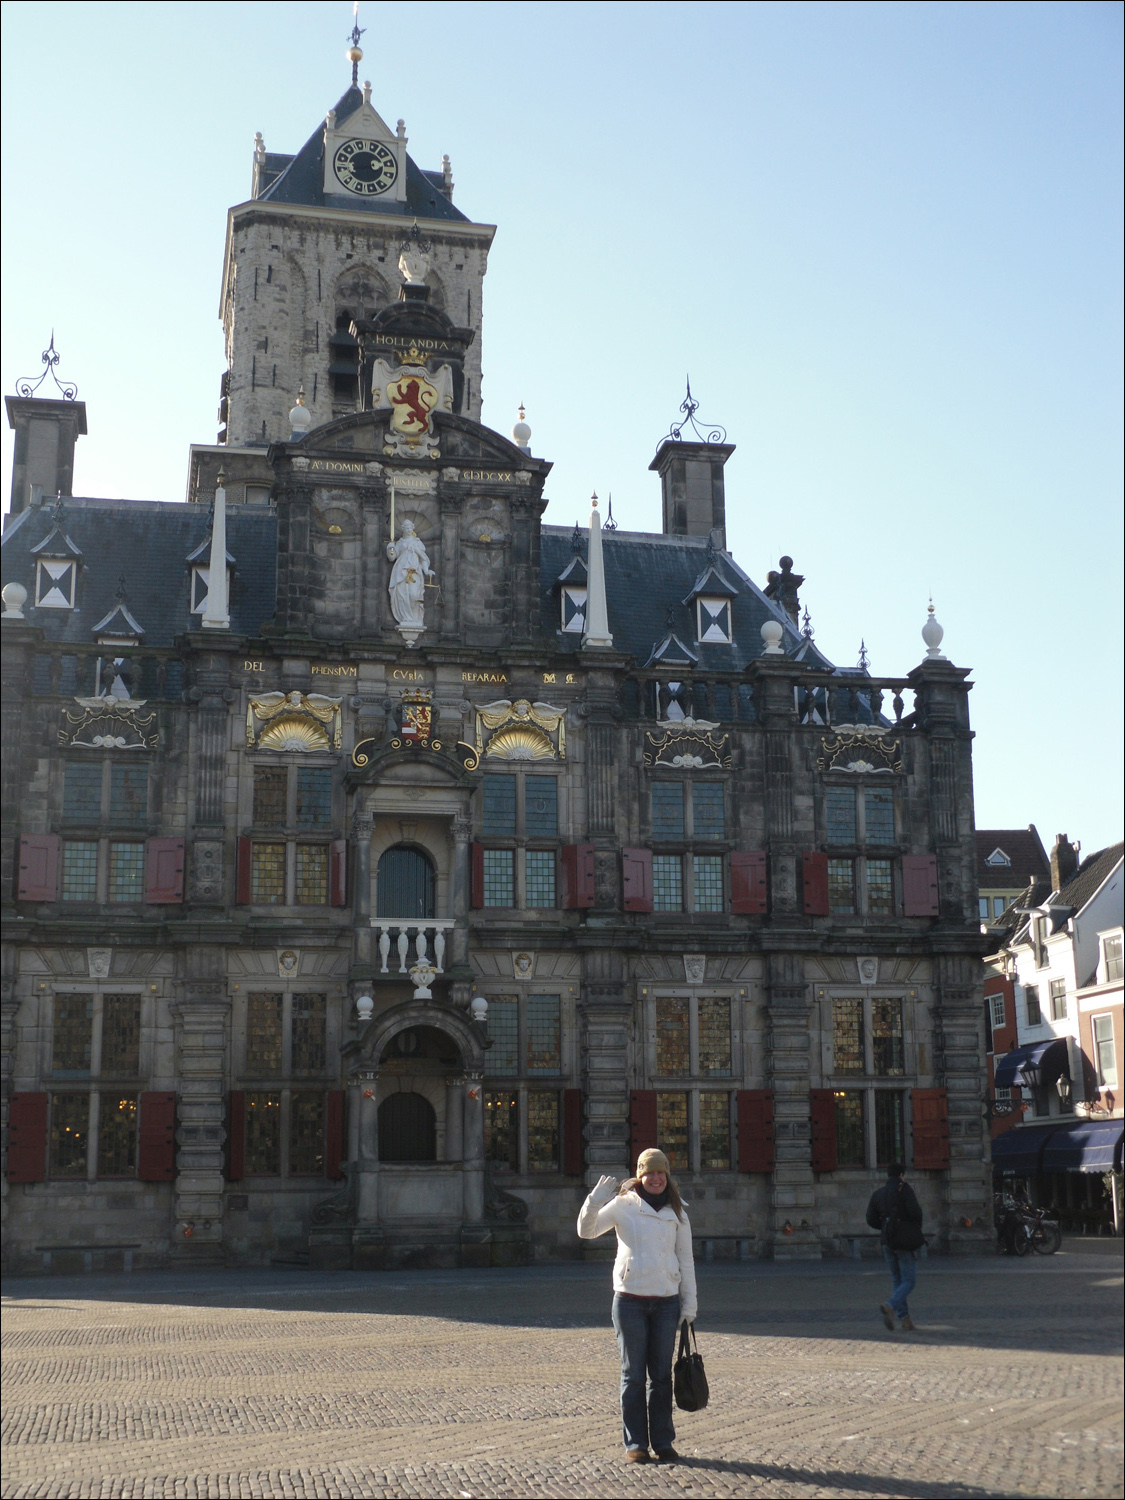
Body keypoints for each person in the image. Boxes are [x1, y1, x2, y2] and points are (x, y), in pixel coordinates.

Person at [577, 1148, 697, 1466]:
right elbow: (586, 1231)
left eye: (661, 1173)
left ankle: (662, 1441)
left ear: (667, 1177)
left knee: (661, 1376)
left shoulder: (678, 1211)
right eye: (649, 1173)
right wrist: (594, 1200)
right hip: (629, 1300)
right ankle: (635, 1444)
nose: (655, 1179)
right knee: (632, 1376)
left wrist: (690, 1305)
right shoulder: (622, 1206)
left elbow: (686, 1259)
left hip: (666, 1301)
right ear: (640, 1176)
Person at [866, 1161, 925, 1331]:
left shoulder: (878, 1193)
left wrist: (885, 1227)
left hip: (887, 1241)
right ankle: (890, 1305)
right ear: (902, 1175)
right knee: (909, 1280)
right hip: (904, 1241)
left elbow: (870, 1219)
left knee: (897, 1280)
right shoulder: (905, 1189)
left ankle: (905, 1319)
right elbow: (916, 1212)